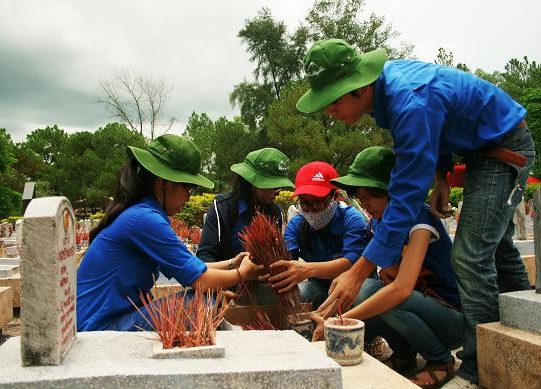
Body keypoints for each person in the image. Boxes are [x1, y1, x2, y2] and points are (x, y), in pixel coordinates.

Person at [297, 38, 535, 387]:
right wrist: (441, 175)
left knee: (471, 255)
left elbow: (406, 195)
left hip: (503, 148)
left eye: (332, 101)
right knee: (496, 245)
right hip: (480, 149)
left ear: (359, 88)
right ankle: (523, 330)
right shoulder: (390, 94)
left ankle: (477, 369)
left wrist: (359, 271)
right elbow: (436, 132)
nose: (329, 112)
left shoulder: (407, 100)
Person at [77, 135, 261, 331]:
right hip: (99, 328)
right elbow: (200, 281)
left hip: (111, 319)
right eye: (188, 188)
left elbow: (190, 267)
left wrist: (232, 263)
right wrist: (242, 274)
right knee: (202, 302)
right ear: (163, 182)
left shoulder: (143, 213)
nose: (189, 197)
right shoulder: (145, 219)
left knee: (206, 299)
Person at [315, 146, 463, 388]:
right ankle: (404, 354)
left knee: (391, 298)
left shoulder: (421, 220)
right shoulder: (379, 223)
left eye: (371, 196)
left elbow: (402, 289)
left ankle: (440, 360)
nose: (366, 204)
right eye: (361, 198)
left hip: (448, 316)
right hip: (420, 305)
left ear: (393, 192)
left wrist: (342, 322)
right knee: (363, 290)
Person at [267, 161, 368, 309]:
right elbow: (287, 262)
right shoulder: (297, 224)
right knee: (292, 295)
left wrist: (308, 269)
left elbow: (351, 263)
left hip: (355, 286)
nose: (311, 209)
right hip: (318, 287)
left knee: (362, 294)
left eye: (318, 202)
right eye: (305, 203)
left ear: (336, 196)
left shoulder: (352, 220)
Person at [197, 148, 294, 264]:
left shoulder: (275, 212)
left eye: (280, 186)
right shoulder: (222, 209)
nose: (278, 192)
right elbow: (204, 258)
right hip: (226, 278)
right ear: (252, 182)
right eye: (273, 186)